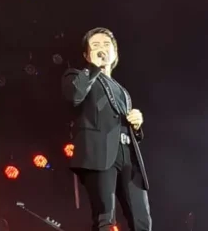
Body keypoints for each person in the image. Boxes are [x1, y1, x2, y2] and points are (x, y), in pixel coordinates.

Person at [62, 27, 152, 231]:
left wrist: (136, 126)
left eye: (106, 45)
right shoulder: (75, 76)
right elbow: (75, 94)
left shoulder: (122, 90)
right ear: (86, 55)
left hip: (127, 154)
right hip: (99, 153)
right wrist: (92, 67)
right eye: (95, 45)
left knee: (142, 220)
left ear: (115, 53)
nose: (102, 48)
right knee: (105, 219)